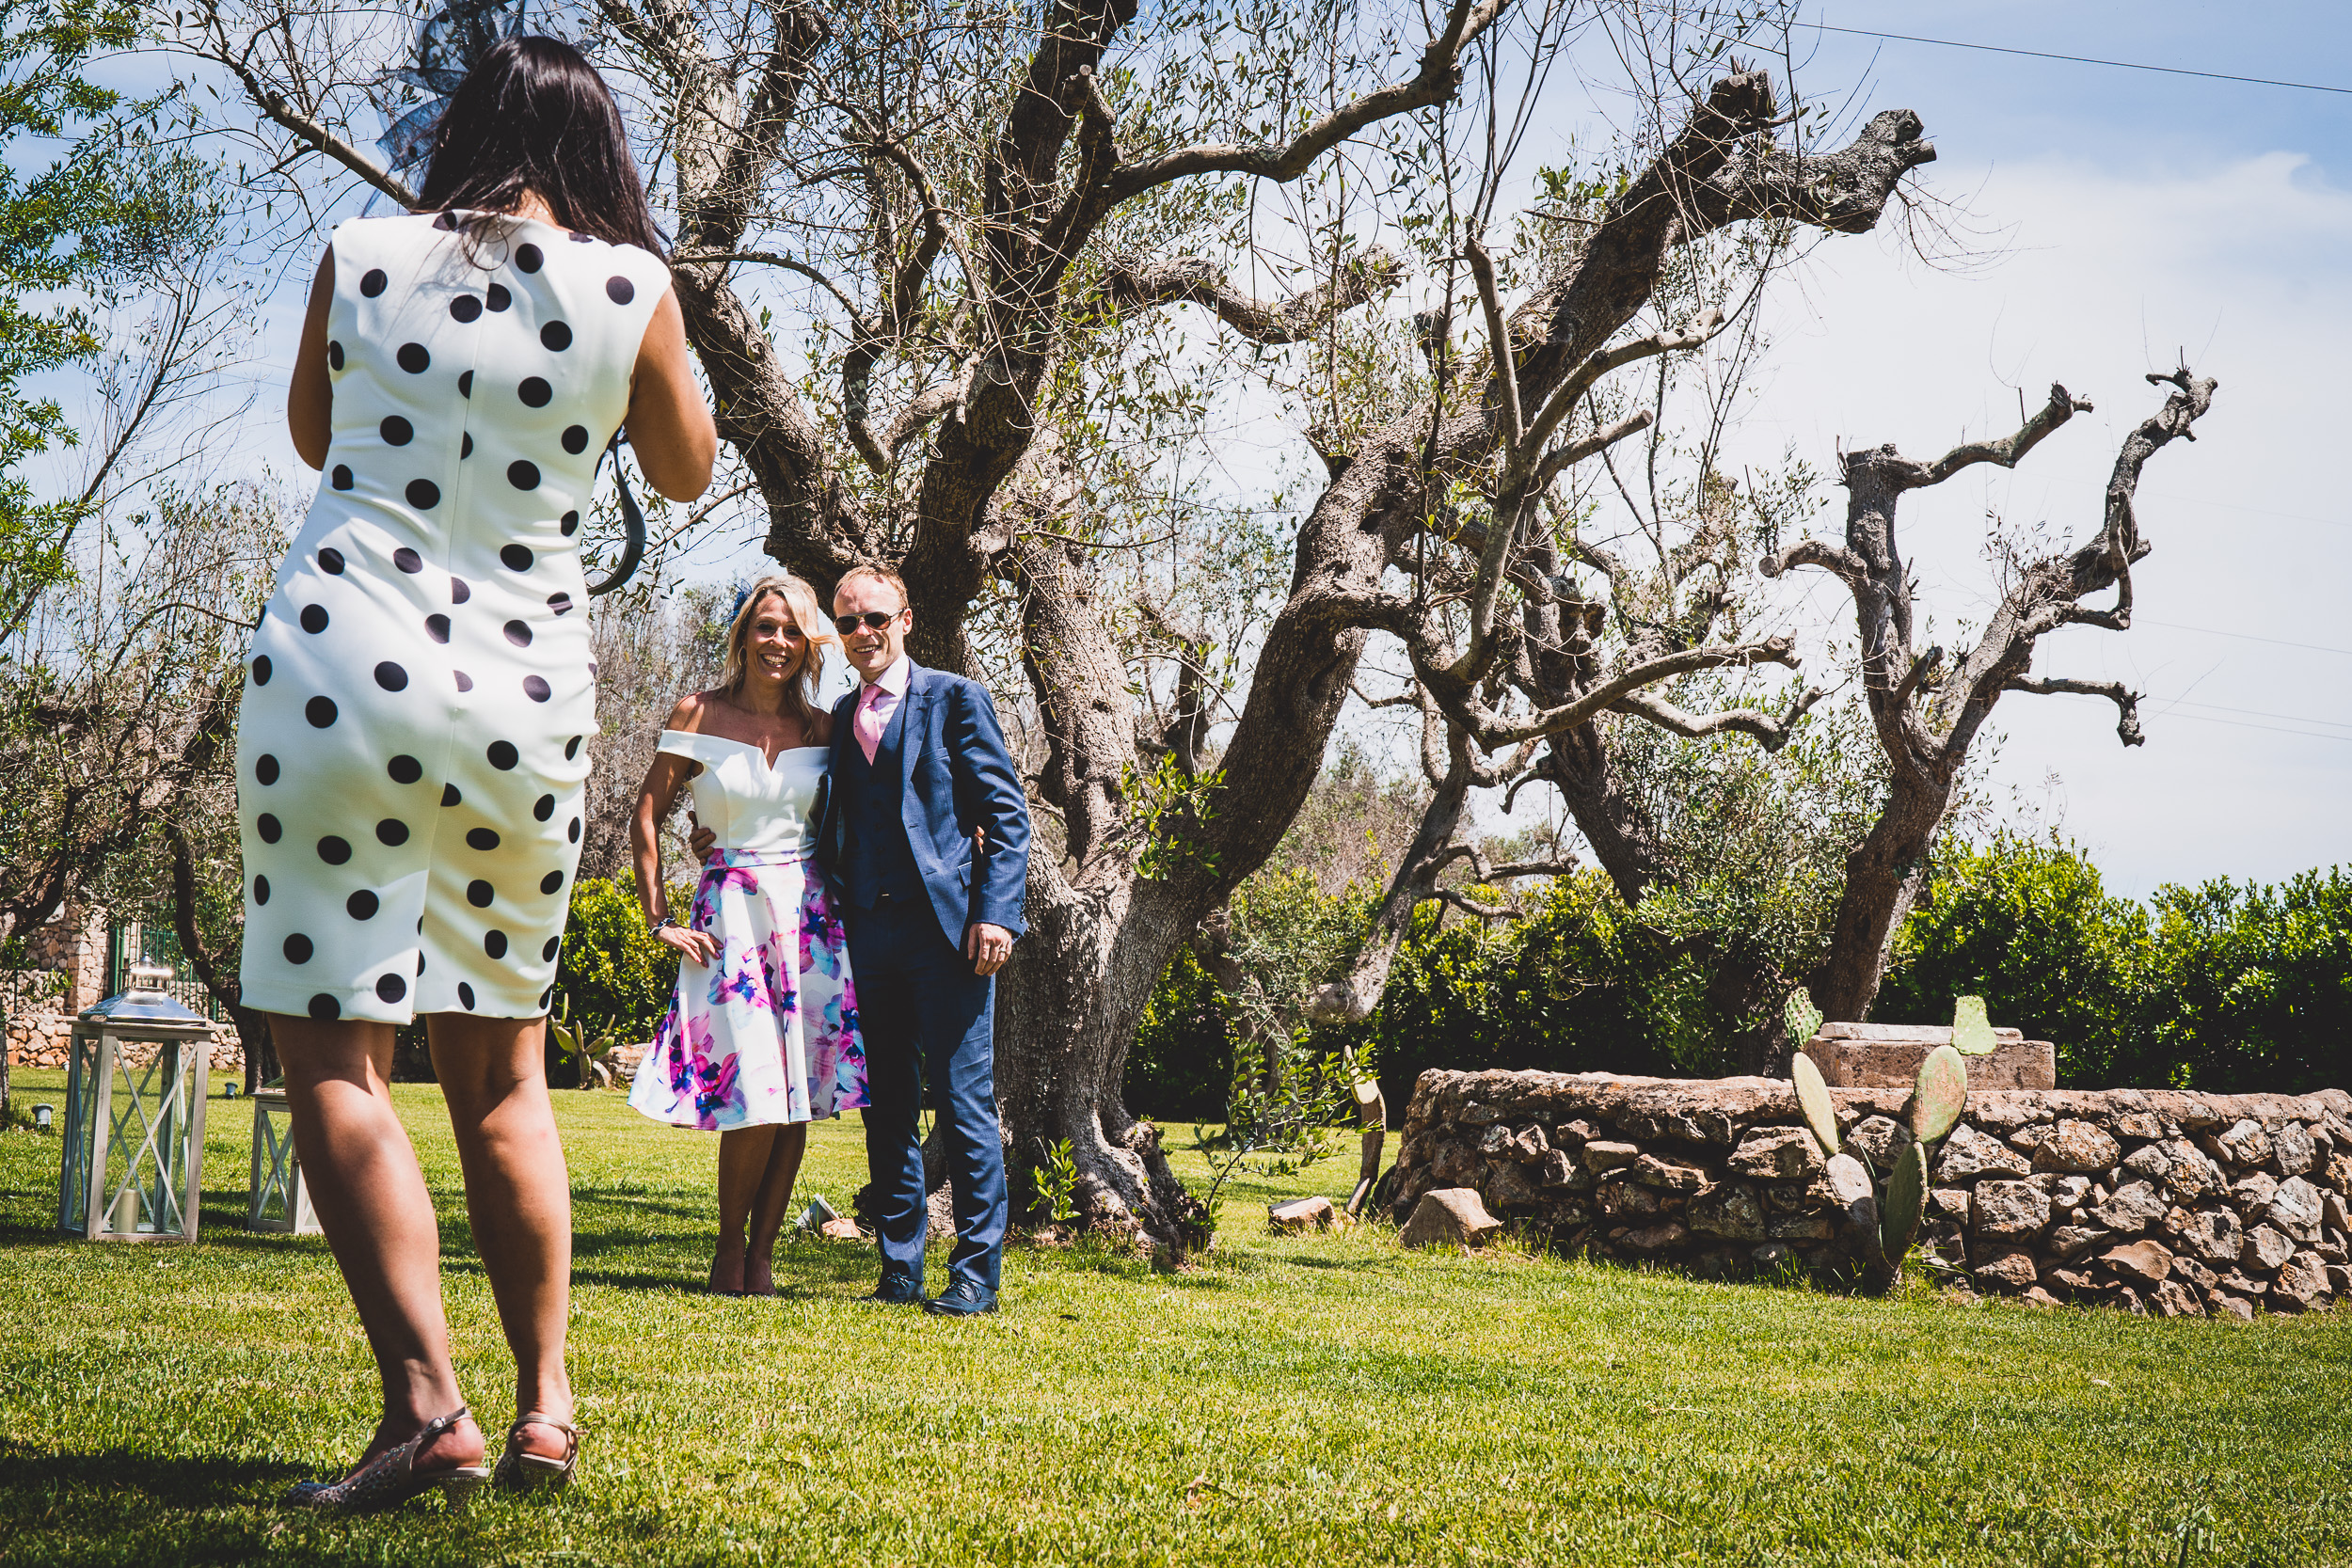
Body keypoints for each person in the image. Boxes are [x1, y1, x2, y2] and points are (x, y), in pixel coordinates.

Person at [235, 36, 715, 1510]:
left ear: (465, 133)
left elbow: (319, 439)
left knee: (332, 1045)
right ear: (598, 151)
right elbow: (688, 467)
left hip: (341, 652)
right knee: (502, 1062)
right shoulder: (633, 287)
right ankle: (545, 1405)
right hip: (522, 681)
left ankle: (426, 1403)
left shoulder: (360, 250)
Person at [626, 575, 866, 1295]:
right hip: (729, 916)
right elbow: (646, 813)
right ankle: (727, 1247)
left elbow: (861, 818)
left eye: (793, 631)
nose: (780, 643)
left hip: (810, 921)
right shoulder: (697, 711)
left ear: (809, 642)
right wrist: (659, 918)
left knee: (795, 1093)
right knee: (755, 1088)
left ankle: (762, 1256)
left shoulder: (824, 727)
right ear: (743, 633)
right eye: (767, 627)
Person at [818, 565, 1030, 1316]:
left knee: (966, 1104)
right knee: (887, 1107)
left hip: (949, 937)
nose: (862, 633)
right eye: (846, 623)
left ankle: (976, 1273)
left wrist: (996, 913)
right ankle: (900, 1264)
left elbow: (1006, 815)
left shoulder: (954, 698)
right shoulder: (841, 716)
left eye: (875, 617)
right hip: (866, 937)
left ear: (904, 619)